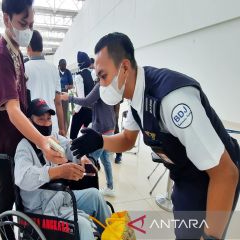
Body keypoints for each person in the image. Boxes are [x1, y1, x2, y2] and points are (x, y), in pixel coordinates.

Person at [70, 32, 240, 239]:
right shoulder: (135, 96)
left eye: (103, 76)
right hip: (185, 176)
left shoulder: (172, 101)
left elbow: (225, 173)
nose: (100, 85)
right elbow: (127, 139)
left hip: (212, 177)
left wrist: (211, 237)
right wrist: (99, 140)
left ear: (124, 67)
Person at [0, 0, 65, 239]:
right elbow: (12, 109)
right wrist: (41, 141)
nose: (28, 29)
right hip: (5, 144)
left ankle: (25, 233)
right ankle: (8, 235)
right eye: (23, 23)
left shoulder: (16, 51)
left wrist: (43, 130)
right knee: (8, 195)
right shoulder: (0, 56)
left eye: (31, 23)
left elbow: (22, 102)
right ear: (6, 19)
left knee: (23, 194)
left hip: (20, 139)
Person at [14, 98, 111, 240]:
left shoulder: (53, 138)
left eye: (48, 119)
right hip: (40, 210)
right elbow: (23, 178)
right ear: (29, 122)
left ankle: (113, 234)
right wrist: (57, 172)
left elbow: (69, 146)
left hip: (59, 198)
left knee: (95, 195)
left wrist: (82, 157)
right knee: (82, 225)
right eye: (41, 119)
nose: (46, 123)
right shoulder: (24, 147)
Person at [62, 77, 116, 197]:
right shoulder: (109, 85)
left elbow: (87, 101)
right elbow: (92, 103)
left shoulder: (101, 85)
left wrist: (69, 97)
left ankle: (91, 191)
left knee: (90, 159)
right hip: (109, 126)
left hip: (102, 129)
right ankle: (110, 186)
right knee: (105, 159)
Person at [25, 30, 66, 136]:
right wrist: (62, 128)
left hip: (33, 126)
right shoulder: (53, 68)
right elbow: (58, 103)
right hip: (52, 125)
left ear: (29, 47)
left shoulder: (24, 69)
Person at [69, 51, 94, 140]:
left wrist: (75, 110)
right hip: (92, 110)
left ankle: (75, 153)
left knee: (72, 136)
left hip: (82, 110)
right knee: (89, 137)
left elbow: (81, 98)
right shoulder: (93, 74)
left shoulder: (79, 76)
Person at [59, 58, 73, 132]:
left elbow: (72, 85)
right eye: (62, 65)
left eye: (65, 65)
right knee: (58, 111)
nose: (64, 66)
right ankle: (60, 128)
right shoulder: (57, 72)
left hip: (65, 94)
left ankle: (65, 129)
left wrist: (67, 86)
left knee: (64, 112)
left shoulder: (68, 72)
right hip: (57, 94)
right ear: (59, 65)